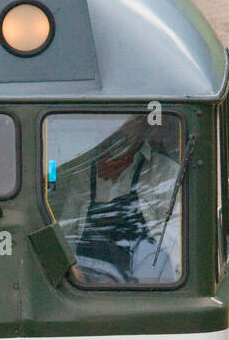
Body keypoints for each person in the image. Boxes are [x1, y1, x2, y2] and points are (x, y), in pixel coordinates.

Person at [54, 121, 182, 284]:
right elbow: (67, 230)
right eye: (111, 122)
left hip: (146, 286)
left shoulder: (163, 171)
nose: (117, 129)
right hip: (87, 287)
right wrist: (69, 276)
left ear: (140, 125)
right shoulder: (84, 172)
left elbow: (177, 238)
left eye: (127, 122)